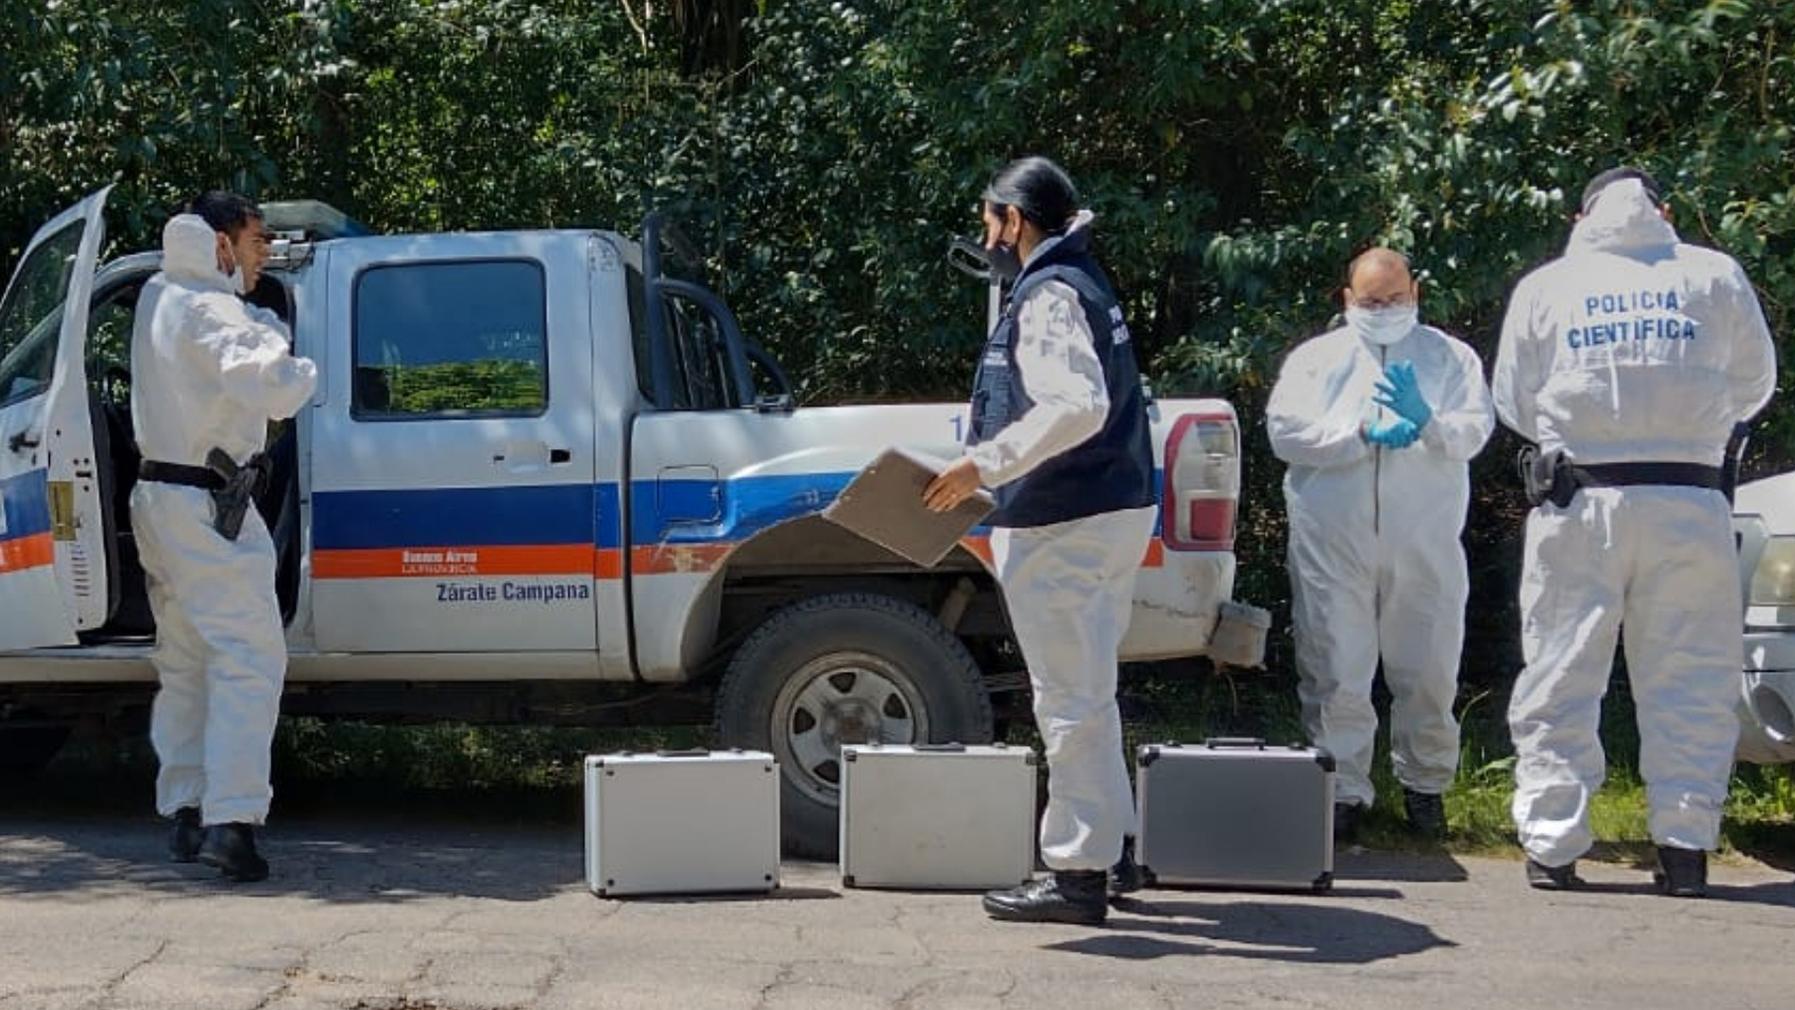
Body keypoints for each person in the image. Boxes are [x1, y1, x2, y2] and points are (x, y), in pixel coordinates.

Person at [1493, 168, 1776, 897]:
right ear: (1664, 210)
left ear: (1580, 214)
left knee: (1560, 670)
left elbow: (1516, 399)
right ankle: (1684, 847)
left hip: (1580, 499)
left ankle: (1551, 847)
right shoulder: (1713, 275)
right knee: (1689, 676)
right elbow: (1754, 383)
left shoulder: (1547, 286)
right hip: (1688, 499)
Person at [923, 157, 1156, 925]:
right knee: (1090, 692)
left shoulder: (1049, 293)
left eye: (989, 219)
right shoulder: (1080, 277)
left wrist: (980, 465)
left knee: (1069, 700)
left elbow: (1075, 406)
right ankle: (1111, 851)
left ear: (1014, 221)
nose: (984, 235)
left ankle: (1078, 873)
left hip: (1065, 519)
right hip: (1101, 510)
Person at [1266, 248, 1494, 843]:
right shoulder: (1317, 359)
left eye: (1394, 299)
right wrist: (1357, 434)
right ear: (1348, 300)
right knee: (1336, 665)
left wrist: (1429, 423)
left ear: (1415, 293)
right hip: (1332, 540)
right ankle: (1341, 790)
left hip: (1425, 538)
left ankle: (1426, 787)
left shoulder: (1449, 358)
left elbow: (1475, 430)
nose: (1385, 310)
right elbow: (1285, 432)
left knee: (1430, 666)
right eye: (1371, 302)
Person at [132, 193, 317, 882]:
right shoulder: (211, 308)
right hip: (208, 508)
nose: (263, 252)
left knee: (187, 660)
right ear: (219, 244)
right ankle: (231, 823)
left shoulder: (161, 294)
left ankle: (186, 809)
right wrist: (298, 362)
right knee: (248, 658)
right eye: (255, 239)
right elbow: (275, 388)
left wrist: (259, 315)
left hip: (162, 498)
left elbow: (234, 331)